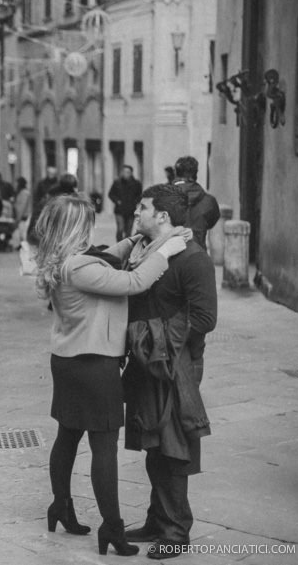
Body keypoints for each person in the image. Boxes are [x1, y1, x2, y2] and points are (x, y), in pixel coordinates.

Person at [33, 194, 186, 557]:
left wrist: (135, 241)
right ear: (73, 228)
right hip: (94, 365)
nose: (90, 227)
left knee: (68, 435)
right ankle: (113, 530)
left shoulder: (66, 261)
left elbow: (105, 254)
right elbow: (133, 282)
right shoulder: (80, 268)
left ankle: (61, 506)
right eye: (85, 222)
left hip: (68, 362)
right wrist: (164, 252)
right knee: (104, 448)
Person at [122, 184, 217, 559]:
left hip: (176, 364)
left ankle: (177, 532)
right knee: (152, 444)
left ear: (162, 216)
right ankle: (157, 519)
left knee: (174, 448)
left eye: (142, 209)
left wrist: (154, 337)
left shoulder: (193, 259)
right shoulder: (148, 252)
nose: (136, 213)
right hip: (148, 363)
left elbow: (205, 318)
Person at [172, 156, 220, 251]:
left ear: (176, 173)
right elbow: (212, 221)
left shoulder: (163, 198)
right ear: (195, 174)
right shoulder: (209, 201)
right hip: (198, 253)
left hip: (171, 255)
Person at [108, 165, 143, 242]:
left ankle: (125, 247)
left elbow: (140, 195)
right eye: (124, 172)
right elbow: (110, 194)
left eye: (127, 172)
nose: (125, 174)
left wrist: (135, 202)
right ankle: (118, 245)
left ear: (131, 173)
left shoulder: (136, 184)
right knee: (120, 229)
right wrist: (117, 201)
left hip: (131, 210)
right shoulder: (117, 182)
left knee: (128, 231)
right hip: (119, 210)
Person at [13, 176, 32, 248]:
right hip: (22, 216)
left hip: (23, 217)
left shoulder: (24, 193)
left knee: (23, 234)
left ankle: (23, 247)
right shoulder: (22, 192)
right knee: (22, 233)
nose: (15, 185)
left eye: (16, 183)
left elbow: (22, 207)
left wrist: (18, 218)